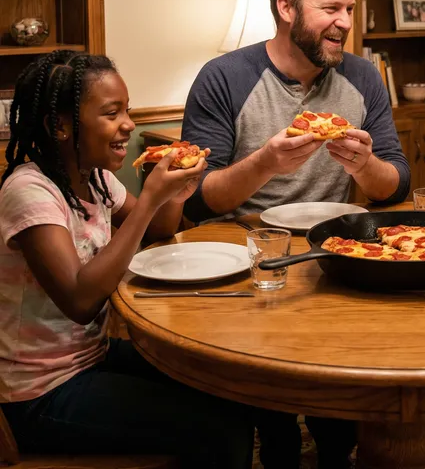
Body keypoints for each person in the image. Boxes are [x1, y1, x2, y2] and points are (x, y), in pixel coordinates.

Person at [0, 50, 292, 468]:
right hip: (40, 391)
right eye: (111, 113)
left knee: (230, 387)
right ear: (58, 125)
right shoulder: (30, 192)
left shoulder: (94, 178)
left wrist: (174, 194)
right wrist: (150, 198)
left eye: (129, 110)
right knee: (218, 429)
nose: (129, 125)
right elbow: (80, 302)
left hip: (91, 356)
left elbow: (158, 230)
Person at [181, 0, 411, 466]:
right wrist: (264, 162)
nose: (344, 23)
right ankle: (278, 437)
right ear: (286, 8)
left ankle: (336, 443)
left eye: (349, 10)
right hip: (240, 255)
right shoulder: (223, 78)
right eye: (330, 9)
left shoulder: (364, 77)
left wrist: (362, 167)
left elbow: (395, 186)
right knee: (270, 398)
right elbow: (196, 200)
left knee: (348, 389)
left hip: (331, 249)